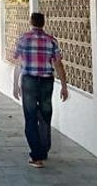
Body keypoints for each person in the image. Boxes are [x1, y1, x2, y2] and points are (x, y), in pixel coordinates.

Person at [13, 12, 69, 168]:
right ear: (44, 23)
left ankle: (36, 156)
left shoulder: (23, 39)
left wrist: (15, 85)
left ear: (30, 22)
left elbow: (18, 63)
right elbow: (58, 64)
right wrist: (64, 86)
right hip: (46, 81)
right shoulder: (52, 41)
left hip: (29, 80)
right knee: (45, 115)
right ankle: (43, 150)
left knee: (30, 117)